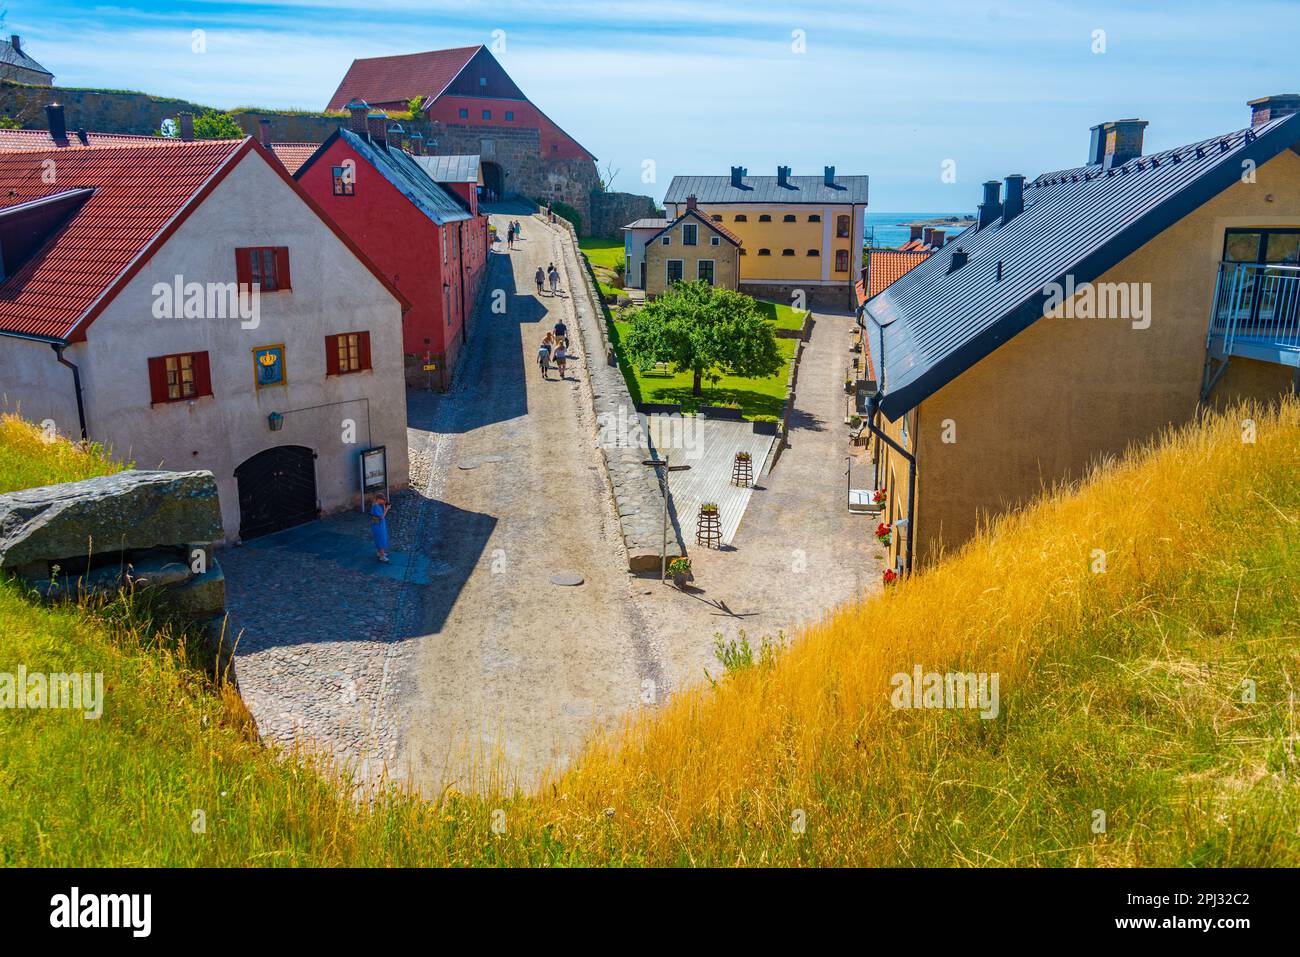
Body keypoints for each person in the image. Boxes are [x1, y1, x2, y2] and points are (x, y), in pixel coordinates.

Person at [370, 493, 391, 563]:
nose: (384, 501)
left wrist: (384, 506)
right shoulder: (375, 507)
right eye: (383, 500)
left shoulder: (377, 505)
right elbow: (382, 517)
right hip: (378, 525)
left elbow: (382, 514)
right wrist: (387, 509)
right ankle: (382, 556)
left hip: (379, 524)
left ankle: (380, 553)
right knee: (381, 539)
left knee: (380, 538)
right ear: (378, 499)